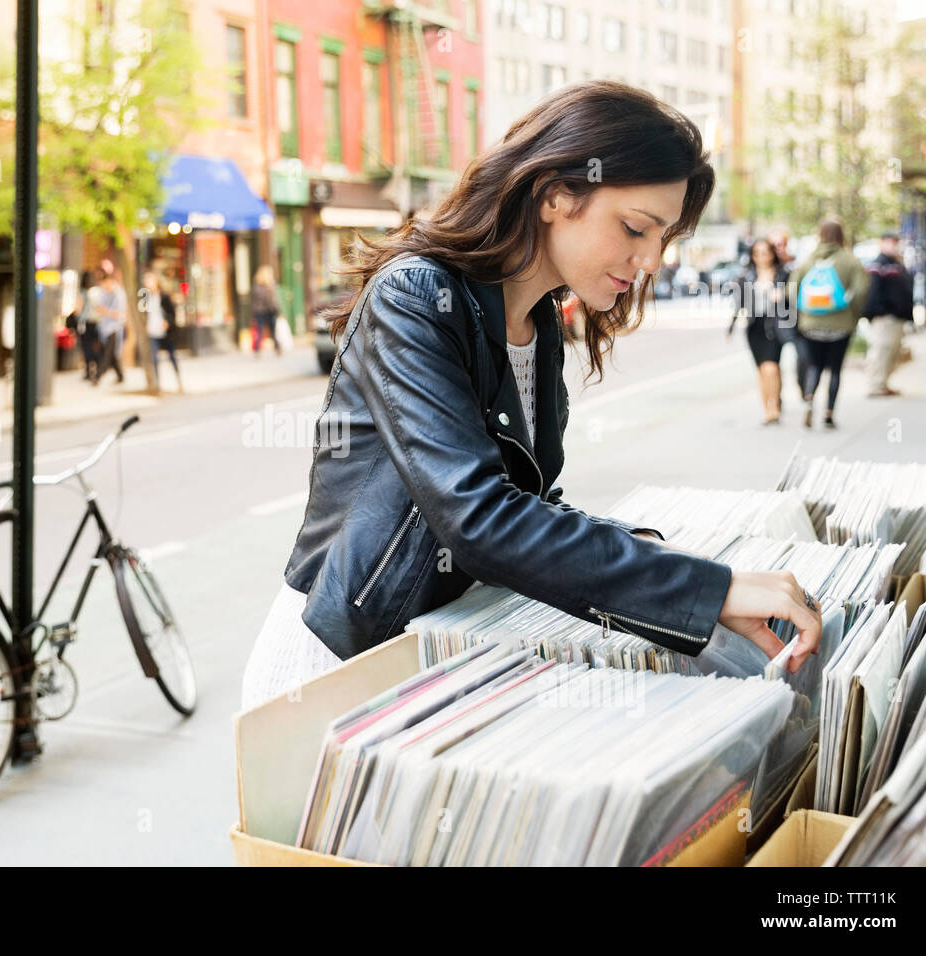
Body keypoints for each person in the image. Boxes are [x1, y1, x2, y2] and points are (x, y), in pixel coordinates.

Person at [239, 81, 822, 710]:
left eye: (665, 239)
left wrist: (661, 559)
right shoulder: (414, 296)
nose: (651, 260)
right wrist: (706, 590)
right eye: (635, 228)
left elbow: (527, 507)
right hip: (340, 666)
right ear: (555, 195)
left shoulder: (540, 321)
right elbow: (480, 518)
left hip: (443, 651)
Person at [786, 219, 869, 429]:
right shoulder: (850, 261)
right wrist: (852, 314)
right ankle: (829, 414)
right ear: (841, 235)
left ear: (819, 235)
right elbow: (861, 291)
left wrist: (805, 311)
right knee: (835, 370)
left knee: (814, 366)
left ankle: (809, 400)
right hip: (841, 325)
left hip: (811, 325)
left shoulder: (807, 261)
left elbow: (790, 290)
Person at [727, 239, 791, 425]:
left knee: (772, 367)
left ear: (772, 254)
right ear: (753, 256)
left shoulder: (783, 274)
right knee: (762, 370)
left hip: (775, 326)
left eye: (765, 252)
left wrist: (783, 296)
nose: (762, 257)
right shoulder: (746, 276)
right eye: (758, 253)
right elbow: (739, 303)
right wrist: (731, 326)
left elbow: (793, 298)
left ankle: (775, 406)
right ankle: (768, 409)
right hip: (754, 327)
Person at [862, 232, 915, 397]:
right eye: (890, 242)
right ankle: (876, 385)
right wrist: (877, 312)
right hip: (885, 316)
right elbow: (872, 292)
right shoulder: (878, 265)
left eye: (895, 242)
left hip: (897, 316)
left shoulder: (897, 264)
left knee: (891, 351)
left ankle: (883, 384)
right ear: (882, 243)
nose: (894, 245)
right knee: (881, 350)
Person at [141, 269, 183, 392]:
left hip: (166, 332)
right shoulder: (145, 297)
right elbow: (144, 313)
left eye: (149, 280)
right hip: (153, 331)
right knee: (154, 358)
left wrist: (167, 323)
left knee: (172, 357)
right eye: (146, 281)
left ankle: (179, 381)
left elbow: (172, 313)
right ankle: (157, 385)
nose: (147, 283)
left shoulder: (164, 297)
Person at [90, 268, 128, 386]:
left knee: (107, 354)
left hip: (115, 328)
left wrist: (105, 311)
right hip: (105, 328)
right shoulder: (105, 294)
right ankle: (120, 375)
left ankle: (97, 376)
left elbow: (120, 314)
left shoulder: (119, 295)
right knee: (112, 355)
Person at [250, 265, 282, 356]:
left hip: (259, 311)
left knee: (259, 331)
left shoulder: (256, 286)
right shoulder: (270, 286)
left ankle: (257, 350)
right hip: (269, 311)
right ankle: (277, 348)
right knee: (272, 331)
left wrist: (253, 312)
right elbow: (273, 300)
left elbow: (253, 299)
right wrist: (278, 311)